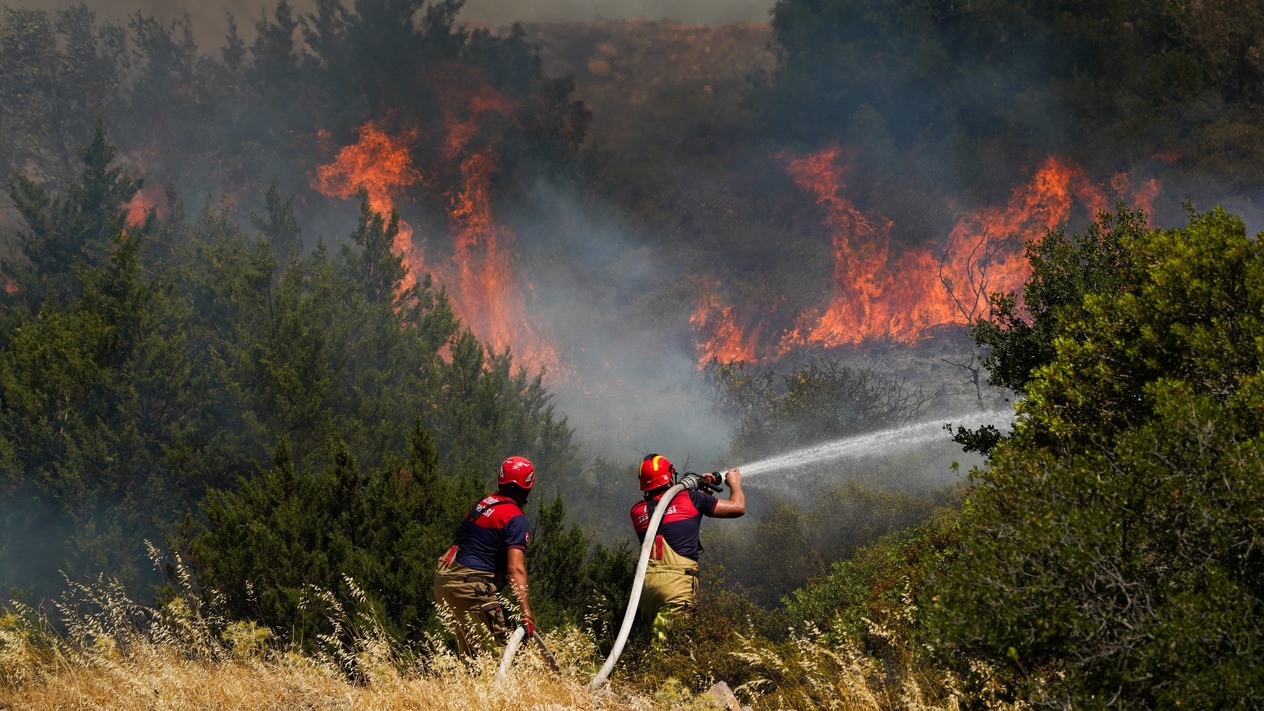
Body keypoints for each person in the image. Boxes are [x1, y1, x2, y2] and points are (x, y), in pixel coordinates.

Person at [433, 455, 537, 658]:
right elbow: (515, 569)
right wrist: (526, 614)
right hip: (471, 589)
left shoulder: (484, 504)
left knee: (474, 660)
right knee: (511, 655)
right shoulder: (515, 517)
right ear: (528, 487)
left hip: (444, 583)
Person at [630, 453, 745, 636]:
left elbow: (667, 512)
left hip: (646, 588)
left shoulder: (636, 511)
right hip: (676, 587)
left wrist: (694, 490)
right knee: (673, 648)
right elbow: (737, 507)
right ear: (670, 478)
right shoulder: (693, 499)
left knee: (649, 644)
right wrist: (734, 483)